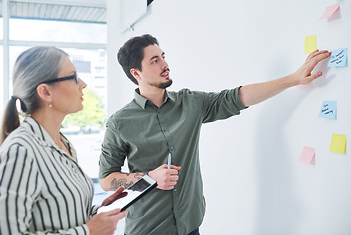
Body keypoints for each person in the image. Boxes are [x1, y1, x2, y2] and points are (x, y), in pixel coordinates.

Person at [98, 34, 331, 235]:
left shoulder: (190, 103)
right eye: (155, 60)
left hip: (191, 225)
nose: (165, 64)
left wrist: (293, 79)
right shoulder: (119, 123)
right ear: (136, 72)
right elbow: (107, 180)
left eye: (163, 56)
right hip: (147, 229)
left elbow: (237, 97)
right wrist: (149, 177)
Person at [0, 46, 127, 235]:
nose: (83, 84)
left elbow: (60, 215)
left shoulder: (64, 144)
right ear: (46, 92)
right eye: (74, 77)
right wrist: (88, 231)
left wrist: (98, 212)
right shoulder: (21, 150)